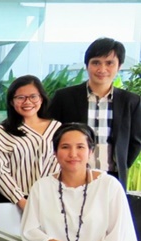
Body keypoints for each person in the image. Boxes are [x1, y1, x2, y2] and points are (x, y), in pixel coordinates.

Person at [48, 37, 141, 187]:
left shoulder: (131, 101)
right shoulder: (64, 97)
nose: (102, 69)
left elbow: (135, 141)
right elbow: (51, 135)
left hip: (112, 177)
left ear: (119, 66)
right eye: (96, 62)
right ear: (87, 65)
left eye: (109, 63)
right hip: (72, 175)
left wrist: (120, 164)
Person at [0, 75, 62, 208]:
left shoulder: (57, 128)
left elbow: (61, 165)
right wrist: (22, 202)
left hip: (51, 201)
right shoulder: (2, 131)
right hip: (11, 201)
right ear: (12, 102)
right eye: (20, 97)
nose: (27, 102)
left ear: (41, 98)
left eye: (33, 96)